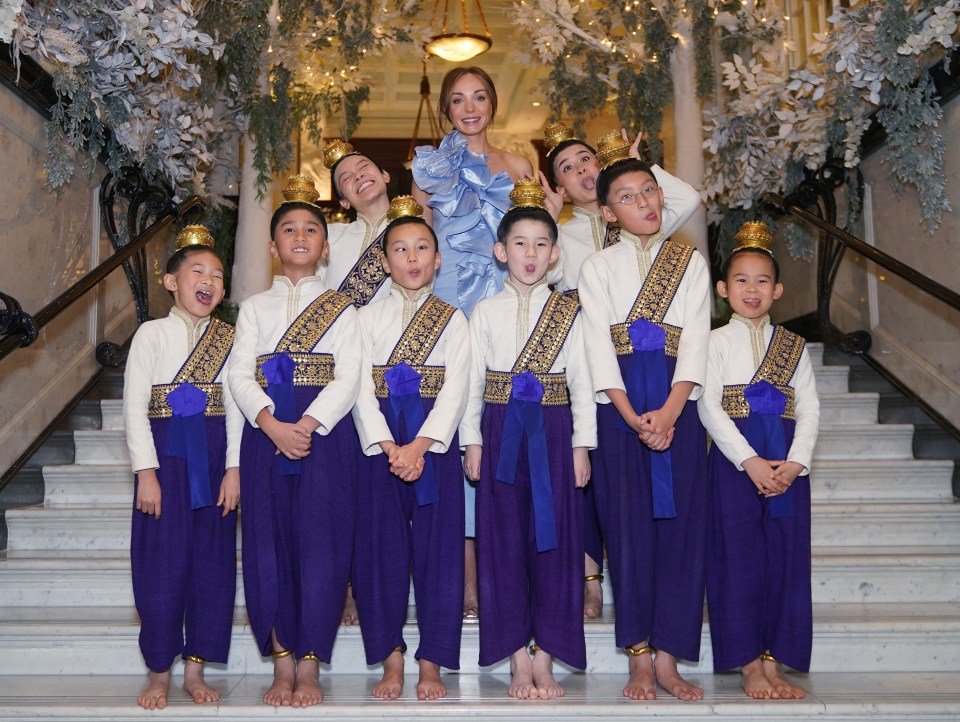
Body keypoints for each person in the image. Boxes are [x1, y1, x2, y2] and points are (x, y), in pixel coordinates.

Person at [541, 123, 703, 618]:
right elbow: (542, 280)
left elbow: (687, 198)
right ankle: (593, 576)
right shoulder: (564, 233)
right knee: (597, 486)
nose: (580, 171)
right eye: (566, 169)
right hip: (592, 365)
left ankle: (675, 602)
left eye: (586, 160)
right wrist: (547, 223)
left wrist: (638, 165)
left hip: (664, 375)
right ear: (560, 187)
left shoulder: (651, 222)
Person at [577, 137, 711, 702]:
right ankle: (637, 656)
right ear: (608, 213)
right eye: (628, 197)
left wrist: (674, 409)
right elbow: (595, 349)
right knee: (626, 532)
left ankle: (670, 658)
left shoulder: (691, 261)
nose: (646, 203)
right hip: (620, 409)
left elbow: (699, 338)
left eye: (650, 191)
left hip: (680, 406)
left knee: (681, 534)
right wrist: (634, 417)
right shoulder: (596, 266)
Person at [228, 176, 362, 707]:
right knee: (267, 548)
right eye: (289, 229)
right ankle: (281, 662)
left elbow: (349, 377)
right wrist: (271, 423)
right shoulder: (254, 308)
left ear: (325, 248)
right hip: (265, 440)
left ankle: (310, 665)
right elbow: (238, 376)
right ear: (272, 245)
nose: (300, 236)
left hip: (323, 441)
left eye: (311, 229)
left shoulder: (342, 308)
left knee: (321, 548)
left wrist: (305, 425)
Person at [462, 179, 596, 699]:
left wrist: (582, 445)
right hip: (500, 431)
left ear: (556, 253)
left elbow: (583, 380)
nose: (530, 254)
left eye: (542, 244)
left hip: (555, 428)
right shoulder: (486, 312)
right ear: (501, 252)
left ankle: (548, 655)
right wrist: (471, 441)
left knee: (556, 542)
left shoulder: (570, 312)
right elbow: (472, 382)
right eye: (520, 243)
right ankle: (517, 655)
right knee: (502, 544)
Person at [411, 66, 533, 618]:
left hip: (504, 310)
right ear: (445, 109)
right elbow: (414, 247)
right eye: (457, 99)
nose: (469, 107)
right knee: (456, 430)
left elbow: (531, 241)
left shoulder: (518, 166)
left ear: (494, 103)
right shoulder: (428, 169)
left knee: (499, 427)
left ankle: (509, 563)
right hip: (448, 309)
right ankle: (461, 572)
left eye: (479, 96)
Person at [351, 196, 470, 700]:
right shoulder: (363, 318)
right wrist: (387, 444)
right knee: (380, 555)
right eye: (400, 249)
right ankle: (392, 660)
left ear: (438, 258)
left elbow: (458, 388)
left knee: (440, 557)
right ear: (384, 261)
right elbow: (357, 387)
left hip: (433, 450)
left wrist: (420, 446)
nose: (413, 257)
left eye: (422, 246)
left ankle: (431, 662)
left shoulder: (454, 319)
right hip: (381, 451)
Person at [697, 221, 819, 700]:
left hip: (787, 466)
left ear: (778, 290)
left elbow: (808, 407)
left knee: (785, 562)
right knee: (738, 561)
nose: (752, 289)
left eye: (762, 280)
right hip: (735, 466)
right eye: (742, 280)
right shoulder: (714, 341)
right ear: (724, 289)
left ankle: (774, 659)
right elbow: (708, 406)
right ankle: (747, 662)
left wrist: (795, 463)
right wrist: (749, 461)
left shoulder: (793, 347)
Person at [123, 225, 241, 710]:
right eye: (198, 271)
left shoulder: (230, 339)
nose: (208, 281)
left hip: (214, 460)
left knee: (212, 566)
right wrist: (145, 472)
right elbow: (134, 407)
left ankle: (196, 670)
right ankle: (158, 672)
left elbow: (238, 409)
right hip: (167, 462)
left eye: (217, 275)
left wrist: (234, 469)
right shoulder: (151, 333)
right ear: (172, 282)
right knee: (161, 567)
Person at [321, 139, 394, 310]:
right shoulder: (328, 236)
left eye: (363, 167)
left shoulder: (416, 231)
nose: (358, 176)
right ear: (344, 202)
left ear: (385, 175)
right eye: (346, 177)